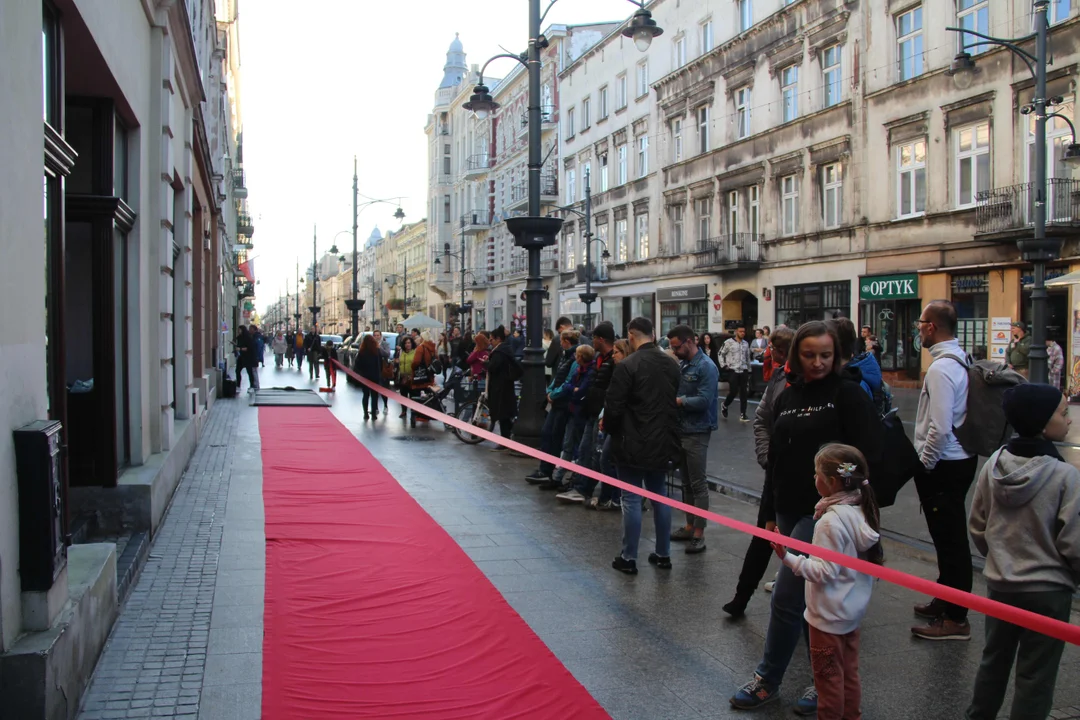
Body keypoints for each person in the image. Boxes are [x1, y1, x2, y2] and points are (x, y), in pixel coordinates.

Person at [729, 321, 881, 715]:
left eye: (825, 355)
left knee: (788, 596)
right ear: (796, 354)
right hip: (787, 505)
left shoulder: (847, 394)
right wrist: (767, 516)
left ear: (837, 355)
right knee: (806, 604)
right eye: (809, 355)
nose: (817, 363)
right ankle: (817, 680)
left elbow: (867, 459)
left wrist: (843, 502)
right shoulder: (787, 392)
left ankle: (775, 678)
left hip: (826, 513)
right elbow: (776, 462)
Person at [965, 384, 1080, 720]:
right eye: (1062, 412)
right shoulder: (1065, 476)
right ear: (1043, 423)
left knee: (993, 661)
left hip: (1001, 585)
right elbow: (1073, 540)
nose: (1069, 419)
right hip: (1049, 589)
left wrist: (998, 556)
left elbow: (978, 525)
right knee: (1036, 674)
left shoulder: (994, 465)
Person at [770, 444, 882, 720]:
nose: (813, 479)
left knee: (827, 682)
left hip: (827, 619)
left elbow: (824, 571)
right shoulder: (861, 509)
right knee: (849, 675)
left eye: (817, 473)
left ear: (831, 483)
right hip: (850, 614)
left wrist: (789, 558)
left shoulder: (829, 523)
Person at [910, 300, 978, 641]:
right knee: (947, 538)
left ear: (932, 326)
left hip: (945, 463)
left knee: (951, 542)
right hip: (960, 459)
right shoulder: (960, 358)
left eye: (921, 322)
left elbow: (939, 426)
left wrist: (924, 465)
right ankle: (946, 596)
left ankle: (956, 618)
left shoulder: (939, 369)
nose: (918, 328)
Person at [724, 326, 795, 617]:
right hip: (776, 473)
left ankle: (797, 600)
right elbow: (762, 419)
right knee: (762, 534)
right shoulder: (779, 378)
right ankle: (742, 597)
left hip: (806, 479)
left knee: (798, 538)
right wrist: (767, 456)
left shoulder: (817, 385)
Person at [604, 317, 681, 575]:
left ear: (631, 335)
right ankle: (663, 553)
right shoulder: (671, 365)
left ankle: (629, 557)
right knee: (660, 496)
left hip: (632, 440)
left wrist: (613, 433)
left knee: (631, 498)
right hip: (662, 440)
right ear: (653, 333)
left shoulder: (627, 365)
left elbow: (614, 408)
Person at [666, 324, 719, 554]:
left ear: (690, 341)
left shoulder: (706, 367)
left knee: (698, 483)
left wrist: (679, 402)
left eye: (677, 346)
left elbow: (705, 400)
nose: (675, 351)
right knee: (686, 482)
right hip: (682, 429)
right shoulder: (684, 363)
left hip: (697, 430)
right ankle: (689, 525)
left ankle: (699, 533)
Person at [556, 322, 617, 507]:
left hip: (602, 413)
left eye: (594, 338)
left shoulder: (611, 361)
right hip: (592, 411)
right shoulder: (599, 358)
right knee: (585, 451)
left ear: (600, 339)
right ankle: (582, 487)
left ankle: (589, 490)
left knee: (595, 454)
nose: (592, 341)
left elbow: (609, 388)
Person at [526, 329, 581, 486]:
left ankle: (548, 471)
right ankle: (546, 469)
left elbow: (567, 380)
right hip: (558, 401)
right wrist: (550, 391)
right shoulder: (567, 356)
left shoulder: (573, 358)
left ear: (565, 342)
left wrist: (553, 393)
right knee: (549, 434)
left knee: (554, 436)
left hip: (562, 403)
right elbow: (558, 377)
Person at [549, 344, 597, 495]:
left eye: (577, 355)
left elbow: (579, 390)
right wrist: (573, 389)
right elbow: (571, 386)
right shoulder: (579, 370)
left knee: (579, 448)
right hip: (573, 411)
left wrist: (573, 390)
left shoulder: (588, 371)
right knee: (569, 444)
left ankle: (573, 479)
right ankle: (559, 477)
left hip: (580, 413)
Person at [486, 326, 519, 444]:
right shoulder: (505, 349)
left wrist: (486, 364)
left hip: (500, 387)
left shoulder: (500, 351)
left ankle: (505, 440)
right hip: (504, 386)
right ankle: (507, 438)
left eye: (491, 339)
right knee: (504, 414)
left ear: (498, 339)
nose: (490, 342)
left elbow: (494, 367)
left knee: (502, 414)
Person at [721, 324, 752, 422]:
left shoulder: (746, 344)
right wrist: (724, 365)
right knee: (733, 391)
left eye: (744, 332)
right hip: (733, 370)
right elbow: (721, 354)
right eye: (740, 331)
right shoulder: (728, 343)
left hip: (743, 370)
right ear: (736, 332)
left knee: (744, 392)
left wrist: (749, 369)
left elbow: (748, 358)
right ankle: (725, 405)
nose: (742, 333)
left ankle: (743, 414)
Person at [353, 335, 384, 420]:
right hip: (375, 376)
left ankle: (365, 413)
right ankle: (374, 413)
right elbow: (380, 364)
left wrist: (361, 373)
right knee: (374, 396)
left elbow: (357, 365)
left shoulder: (362, 352)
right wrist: (379, 374)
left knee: (365, 395)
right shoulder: (377, 351)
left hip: (365, 377)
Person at [396, 336, 417, 419]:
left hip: (412, 377)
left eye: (409, 343)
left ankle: (413, 412)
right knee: (403, 395)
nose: (407, 345)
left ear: (412, 344)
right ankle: (404, 411)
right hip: (403, 377)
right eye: (405, 343)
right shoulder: (401, 352)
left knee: (413, 396)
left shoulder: (415, 352)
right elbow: (398, 361)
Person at [234, 325, 257, 392]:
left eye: (240, 329)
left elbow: (249, 348)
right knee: (237, 370)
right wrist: (236, 345)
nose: (238, 331)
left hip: (248, 357)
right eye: (238, 329)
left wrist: (240, 349)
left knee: (249, 372)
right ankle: (238, 386)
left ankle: (252, 386)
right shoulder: (239, 337)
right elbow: (239, 345)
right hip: (241, 357)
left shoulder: (248, 338)